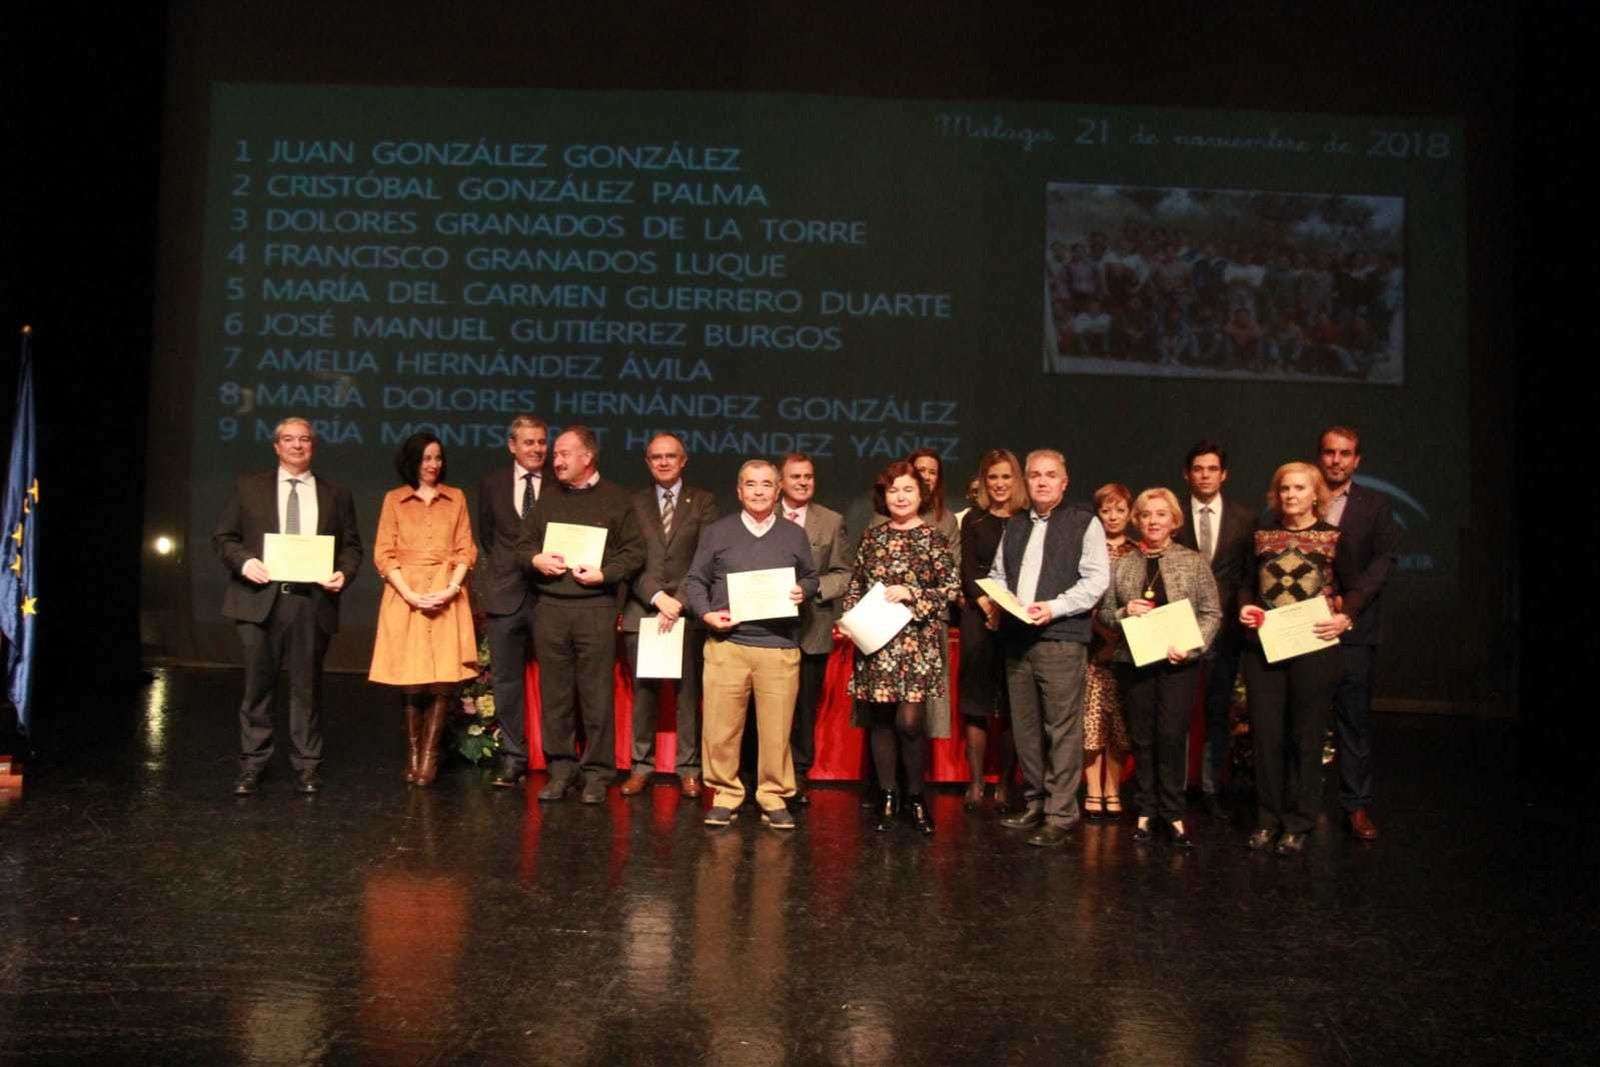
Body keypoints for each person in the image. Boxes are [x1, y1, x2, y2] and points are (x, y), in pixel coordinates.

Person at [212, 416, 362, 795]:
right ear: (276, 446)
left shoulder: (336, 493)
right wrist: (245, 562)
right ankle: (252, 765)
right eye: (289, 439)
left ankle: (308, 766)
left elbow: (352, 548)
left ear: (313, 446)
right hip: (258, 601)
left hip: (310, 603)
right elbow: (224, 537)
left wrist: (343, 574)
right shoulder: (248, 488)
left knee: (306, 688)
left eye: (305, 440)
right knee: (257, 687)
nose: (297, 445)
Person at [683, 460, 819, 830]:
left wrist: (802, 590)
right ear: (739, 490)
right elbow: (695, 581)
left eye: (766, 485)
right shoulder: (716, 532)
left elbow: (810, 576)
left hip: (778, 646)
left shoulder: (793, 534)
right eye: (750, 484)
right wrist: (706, 613)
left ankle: (773, 796)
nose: (759, 491)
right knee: (721, 728)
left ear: (778, 491)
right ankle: (725, 794)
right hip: (727, 644)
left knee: (776, 731)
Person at [986, 449, 1109, 847]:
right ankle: (1036, 802)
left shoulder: (1083, 523)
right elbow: (998, 574)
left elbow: (1095, 581)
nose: (1041, 481)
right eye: (1035, 475)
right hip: (1018, 639)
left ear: (1064, 481)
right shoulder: (1016, 524)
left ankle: (1061, 812)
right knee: (1025, 728)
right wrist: (999, 599)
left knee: (1061, 727)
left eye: (1049, 475)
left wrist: (1052, 608)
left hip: (1060, 637)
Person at [1238, 462, 1361, 855]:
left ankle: (1300, 821)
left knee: (1306, 736)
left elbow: (1355, 587)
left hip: (1314, 646)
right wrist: (1244, 608)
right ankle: (1267, 819)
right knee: (1267, 735)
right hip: (1266, 649)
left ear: (1316, 495)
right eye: (1285, 489)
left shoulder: (1335, 538)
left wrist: (1345, 617)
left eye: (1299, 488)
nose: (1291, 495)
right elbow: (1244, 584)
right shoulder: (1260, 536)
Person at [522, 426, 646, 804]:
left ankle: (597, 772)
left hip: (595, 607)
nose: (555, 461)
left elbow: (634, 551)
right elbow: (523, 544)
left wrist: (605, 574)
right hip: (551, 608)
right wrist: (535, 559)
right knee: (556, 694)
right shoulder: (546, 499)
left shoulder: (616, 499)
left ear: (587, 457)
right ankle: (561, 769)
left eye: (563, 454)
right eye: (555, 454)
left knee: (595, 695)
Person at [1101, 488, 1221, 847]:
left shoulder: (1193, 561)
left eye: (1160, 514)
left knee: (1171, 735)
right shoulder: (1124, 562)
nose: (1153, 521)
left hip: (1177, 663)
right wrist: (1125, 612)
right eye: (1146, 515)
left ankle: (1173, 812)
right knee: (1142, 736)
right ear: (1136, 521)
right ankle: (1145, 809)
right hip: (1135, 662)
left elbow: (1211, 612)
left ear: (1174, 521)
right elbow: (1106, 612)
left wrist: (1191, 646)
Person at [843, 461, 959, 833]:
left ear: (921, 494)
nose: (901, 497)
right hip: (875, 643)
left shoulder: (932, 537)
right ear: (884, 496)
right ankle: (888, 796)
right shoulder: (872, 537)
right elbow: (856, 586)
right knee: (879, 721)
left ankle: (916, 797)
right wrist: (849, 619)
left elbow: (951, 590)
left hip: (915, 643)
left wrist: (913, 594)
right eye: (893, 491)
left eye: (908, 489)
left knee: (909, 723)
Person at [367, 433, 478, 786]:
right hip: (406, 594)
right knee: (411, 678)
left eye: (438, 458)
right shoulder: (394, 500)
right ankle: (413, 755)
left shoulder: (456, 497)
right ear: (413, 462)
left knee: (443, 679)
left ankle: (429, 756)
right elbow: (384, 553)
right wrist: (411, 595)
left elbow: (465, 550)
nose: (433, 465)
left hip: (448, 590)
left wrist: (451, 588)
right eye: (426, 458)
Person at [620, 433, 719, 799]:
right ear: (647, 462)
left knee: (687, 695)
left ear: (683, 460)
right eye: (656, 457)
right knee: (644, 695)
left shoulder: (704, 502)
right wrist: (657, 597)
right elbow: (628, 558)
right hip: (642, 610)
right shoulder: (632, 503)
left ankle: (689, 768)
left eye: (670, 456)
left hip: (686, 612)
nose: (663, 462)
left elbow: (706, 558)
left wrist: (677, 600)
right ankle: (640, 766)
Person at [1318, 426, 1400, 840]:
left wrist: (1348, 609)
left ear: (1357, 460)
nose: (1336, 460)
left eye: (1344, 453)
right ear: (1320, 456)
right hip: (1307, 628)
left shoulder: (1375, 505)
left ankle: (1357, 807)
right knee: (1305, 719)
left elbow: (1383, 562)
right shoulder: (1301, 496)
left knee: (1352, 722)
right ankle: (1301, 805)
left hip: (1354, 628)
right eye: (1330, 452)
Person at [1172, 442, 1259, 819]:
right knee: (1176, 709)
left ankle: (1211, 789)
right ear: (1186, 474)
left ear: (1223, 474)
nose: (1205, 475)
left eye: (1212, 469)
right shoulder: (1173, 516)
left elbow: (1245, 576)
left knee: (1217, 709)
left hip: (1224, 630)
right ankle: (1173, 789)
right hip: (1178, 625)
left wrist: (1241, 609)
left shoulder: (1245, 518)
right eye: (1198, 468)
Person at [777, 452, 853, 805]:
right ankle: (760, 773)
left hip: (812, 628)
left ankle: (799, 775)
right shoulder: (763, 516)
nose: (803, 482)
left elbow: (844, 573)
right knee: (765, 708)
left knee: (804, 709)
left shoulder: (831, 520)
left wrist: (813, 588)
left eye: (808, 476)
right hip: (767, 630)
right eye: (796, 477)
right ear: (781, 481)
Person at [477, 415, 547, 788]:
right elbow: (488, 537)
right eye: (529, 442)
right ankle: (514, 757)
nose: (536, 449)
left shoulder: (558, 483)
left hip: (550, 596)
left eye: (541, 442)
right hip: (505, 594)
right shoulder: (491, 484)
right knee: (506, 682)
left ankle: (558, 758)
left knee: (556, 681)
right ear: (512, 446)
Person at [958, 449, 1024, 810]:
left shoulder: (1028, 519)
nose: (999, 484)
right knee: (976, 701)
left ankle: (1005, 784)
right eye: (992, 478)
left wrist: (1006, 608)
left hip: (1016, 615)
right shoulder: (973, 519)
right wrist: (986, 604)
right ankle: (976, 781)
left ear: (1017, 480)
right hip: (978, 614)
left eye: (1006, 477)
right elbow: (968, 571)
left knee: (1014, 702)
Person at [1082, 483, 1136, 821]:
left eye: (1119, 510)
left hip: (1127, 644)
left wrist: (1116, 641)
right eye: (1106, 510)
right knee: (1091, 721)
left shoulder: (1138, 550)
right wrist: (1100, 636)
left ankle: (1113, 790)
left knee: (1119, 723)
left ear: (1130, 513)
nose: (1113, 516)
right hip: (1090, 644)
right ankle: (1092, 790)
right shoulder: (1088, 549)